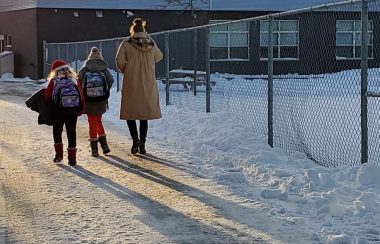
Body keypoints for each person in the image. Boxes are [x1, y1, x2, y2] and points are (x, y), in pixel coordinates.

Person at [115, 18, 163, 155]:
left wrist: (126, 69)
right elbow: (159, 57)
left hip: (131, 81)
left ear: (133, 30)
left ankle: (135, 140)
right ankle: (142, 143)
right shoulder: (151, 43)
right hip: (148, 82)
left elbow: (119, 61)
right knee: (144, 115)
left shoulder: (126, 43)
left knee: (130, 113)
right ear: (144, 30)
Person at [44, 60, 83, 166]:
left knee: (57, 132)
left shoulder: (54, 81)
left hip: (58, 111)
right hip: (72, 111)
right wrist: (80, 109)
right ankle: (72, 159)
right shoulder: (74, 80)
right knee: (71, 132)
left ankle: (59, 155)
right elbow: (81, 95)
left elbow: (47, 97)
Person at [78, 47, 114, 157]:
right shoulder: (103, 68)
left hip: (89, 100)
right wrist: (104, 90)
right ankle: (105, 146)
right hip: (101, 99)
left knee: (91, 122)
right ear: (100, 57)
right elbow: (111, 80)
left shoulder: (85, 68)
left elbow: (78, 80)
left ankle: (94, 149)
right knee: (98, 120)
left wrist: (83, 92)